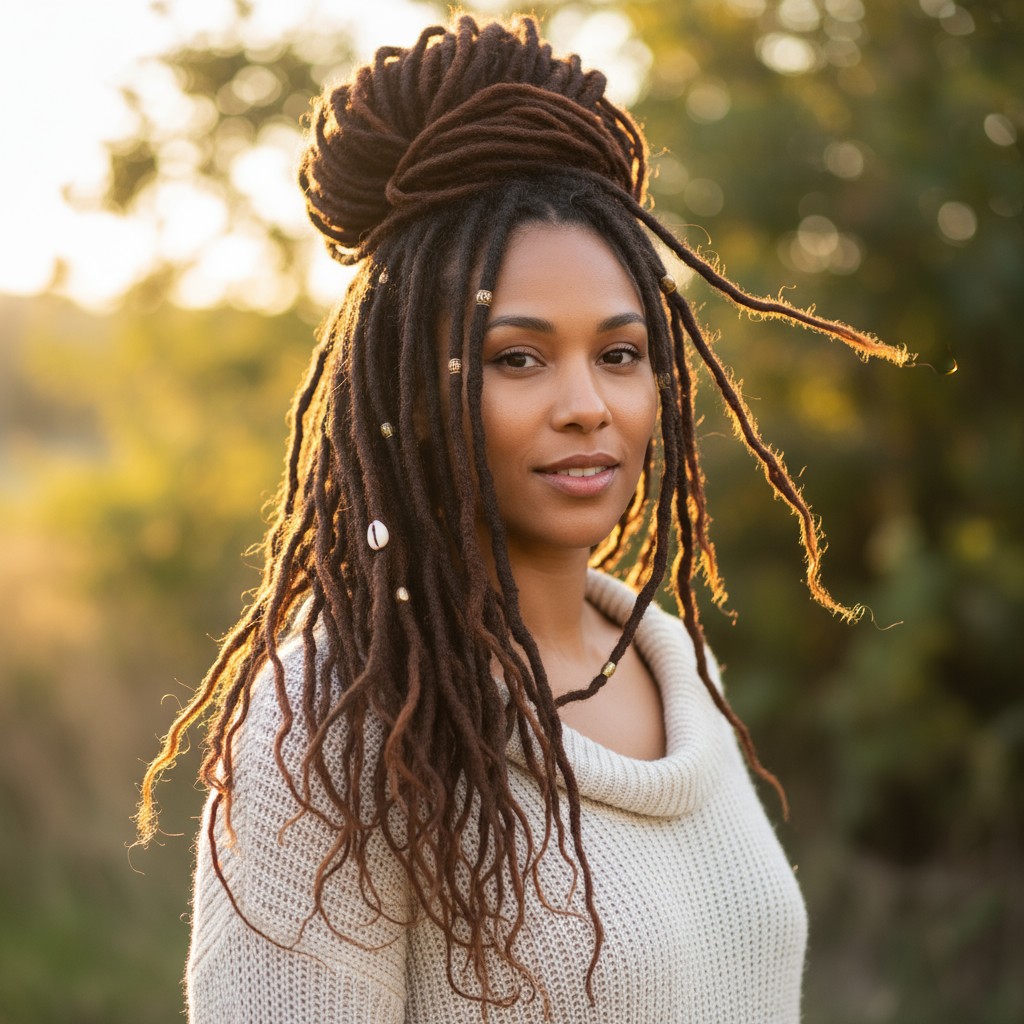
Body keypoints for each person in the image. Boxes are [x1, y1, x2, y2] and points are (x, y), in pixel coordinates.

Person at [138, 15, 911, 1023]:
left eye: (620, 354)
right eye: (518, 358)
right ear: (414, 393)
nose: (587, 402)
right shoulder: (336, 719)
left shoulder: (674, 668)